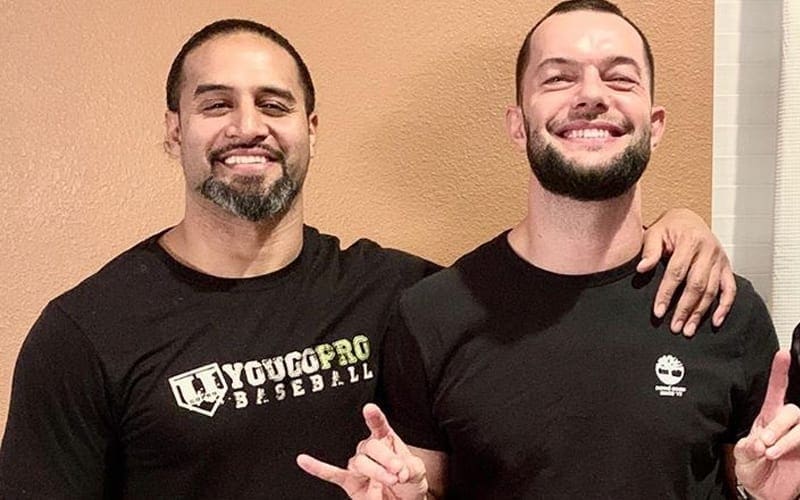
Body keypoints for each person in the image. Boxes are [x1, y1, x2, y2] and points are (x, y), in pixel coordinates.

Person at [0, 16, 733, 500]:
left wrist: (676, 226)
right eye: (216, 104)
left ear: (311, 129)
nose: (248, 127)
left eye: (275, 105)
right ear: (174, 130)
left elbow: (552, 288)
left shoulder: (402, 295)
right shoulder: (87, 333)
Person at [297, 1, 799, 498]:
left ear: (656, 125)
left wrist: (774, 497)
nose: (592, 95)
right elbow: (419, 491)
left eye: (620, 78)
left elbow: (752, 483)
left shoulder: (722, 306)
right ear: (518, 125)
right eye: (559, 78)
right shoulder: (431, 314)